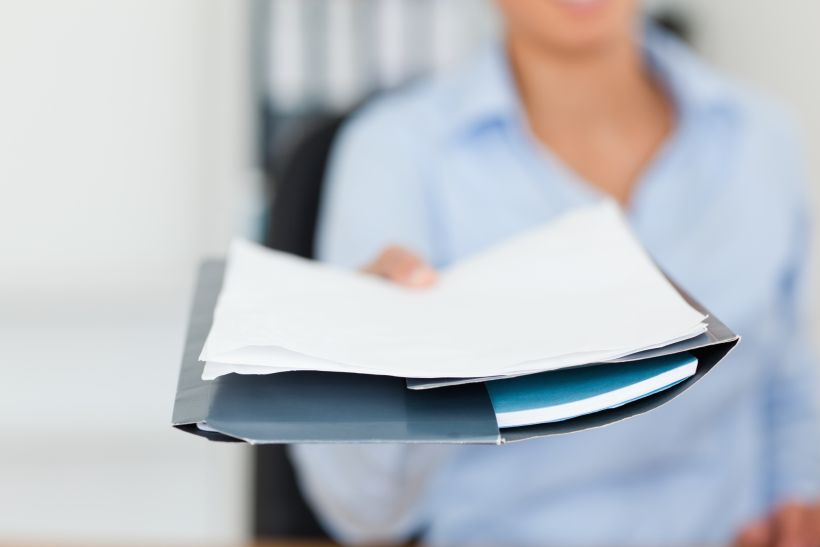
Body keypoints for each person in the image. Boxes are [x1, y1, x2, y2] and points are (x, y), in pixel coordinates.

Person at [289, 0, 820, 544]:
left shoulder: (760, 136)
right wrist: (371, 370)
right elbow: (361, 516)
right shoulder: (394, 151)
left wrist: (799, 501)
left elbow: (787, 375)